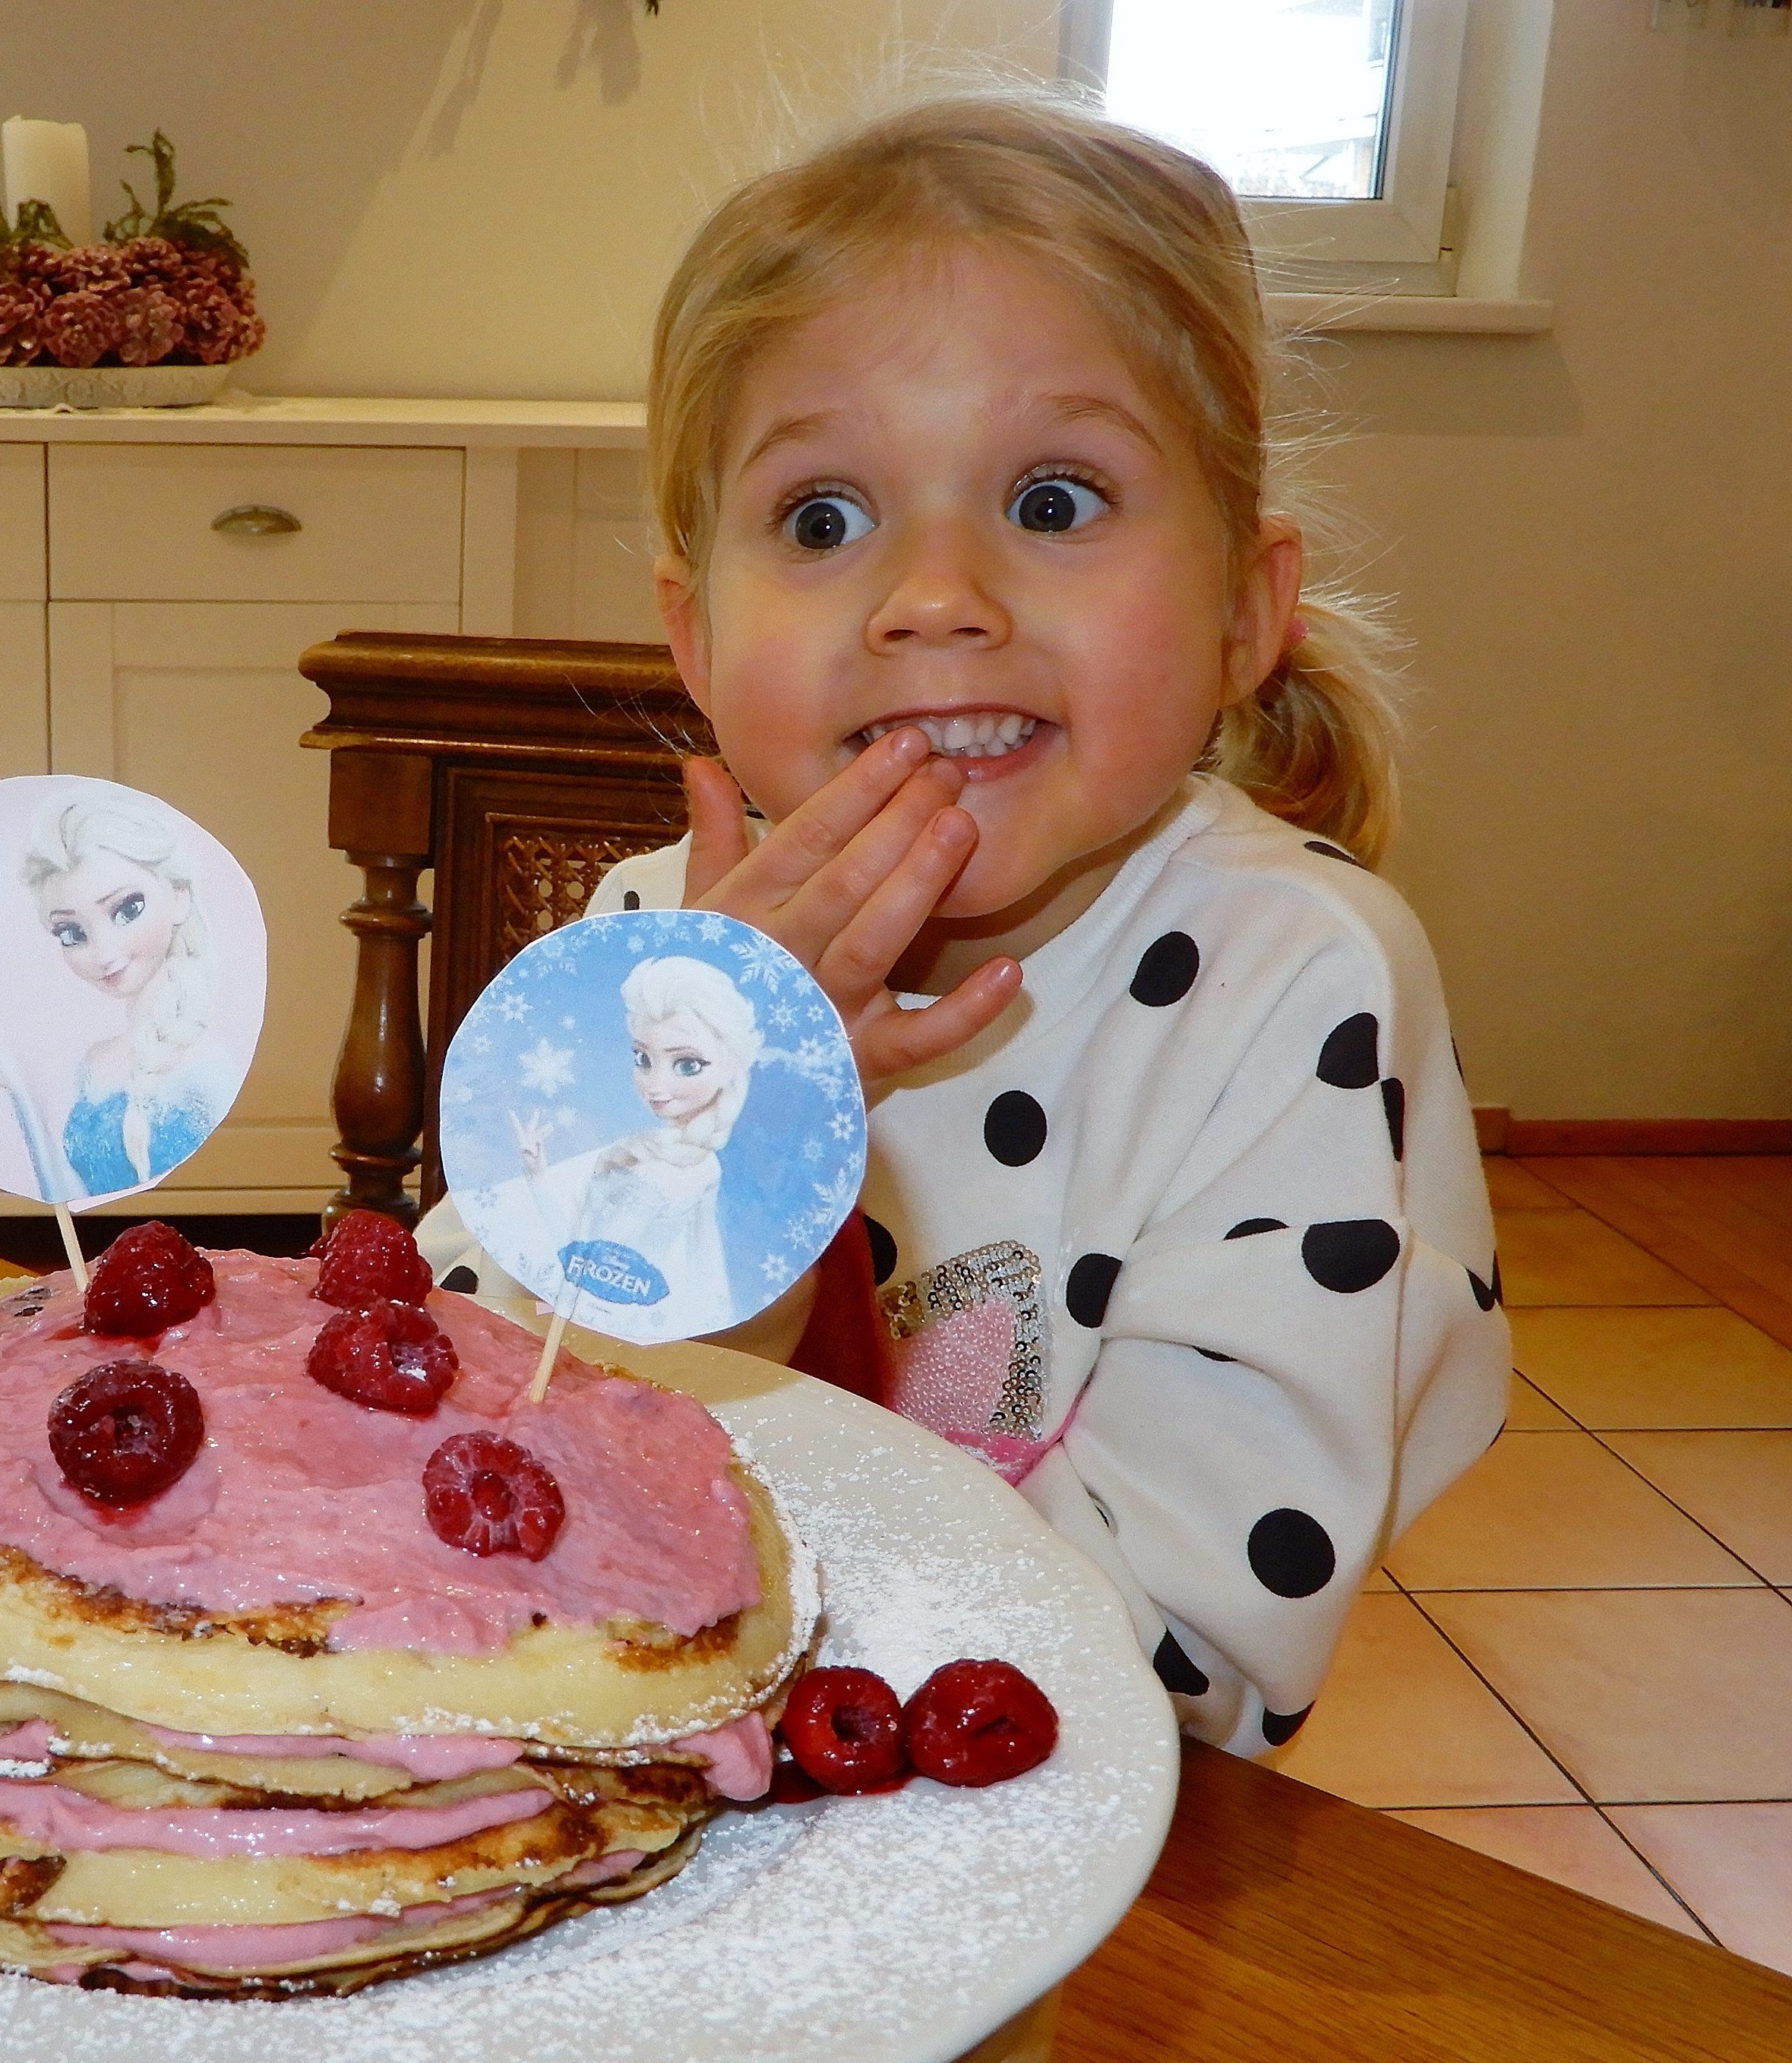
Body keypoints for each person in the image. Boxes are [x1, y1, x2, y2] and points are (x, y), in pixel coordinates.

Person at [416, 89, 1507, 1758]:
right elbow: (463, 1449)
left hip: (1029, 1818)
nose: (935, 596)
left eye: (1055, 500)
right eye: (824, 519)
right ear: (693, 637)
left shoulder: (1292, 980)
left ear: (1243, 614)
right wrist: (729, 1140)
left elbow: (1190, 1651)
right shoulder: (654, 942)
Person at [0, 788, 235, 1202]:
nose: (104, 954)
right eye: (73, 933)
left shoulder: (210, 1069)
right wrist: (16, 1089)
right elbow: (71, 1197)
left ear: (180, 898)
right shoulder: (94, 1064)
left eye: (127, 910)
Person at [480, 955, 760, 1341]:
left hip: (627, 1326)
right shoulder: (631, 1147)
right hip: (569, 1306)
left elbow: (692, 1267)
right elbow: (572, 1239)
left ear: (730, 1066)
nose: (655, 1085)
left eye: (687, 1065)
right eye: (643, 1059)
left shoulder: (700, 1169)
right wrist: (537, 1173)